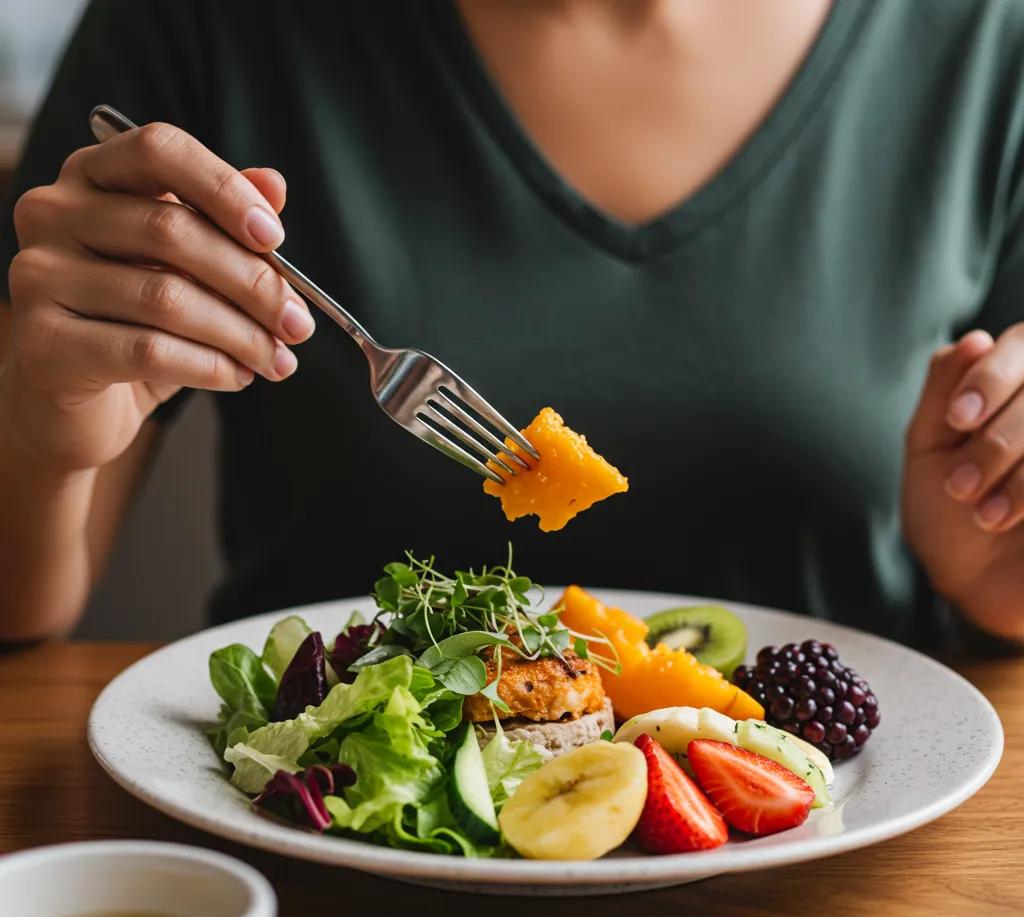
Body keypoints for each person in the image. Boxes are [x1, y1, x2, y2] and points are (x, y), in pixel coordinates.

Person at [1, 0, 1023, 649]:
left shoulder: (989, 43)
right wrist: (42, 429)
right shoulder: (201, 23)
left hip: (852, 894)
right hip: (320, 896)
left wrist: (990, 562)